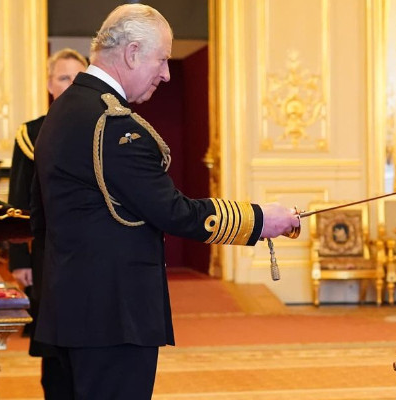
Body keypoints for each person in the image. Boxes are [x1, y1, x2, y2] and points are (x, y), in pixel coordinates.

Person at [31, 4, 299, 399]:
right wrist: (260, 220)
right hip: (114, 318)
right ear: (132, 52)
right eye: (162, 59)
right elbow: (173, 211)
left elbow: (40, 218)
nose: (166, 74)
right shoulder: (112, 125)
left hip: (71, 310)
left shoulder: (63, 111)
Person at [7, 48, 88, 400]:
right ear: (49, 84)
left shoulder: (103, 128)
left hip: (93, 252)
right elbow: (18, 200)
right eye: (63, 77)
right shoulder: (31, 134)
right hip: (48, 253)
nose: (70, 85)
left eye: (78, 78)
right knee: (53, 339)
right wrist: (19, 258)